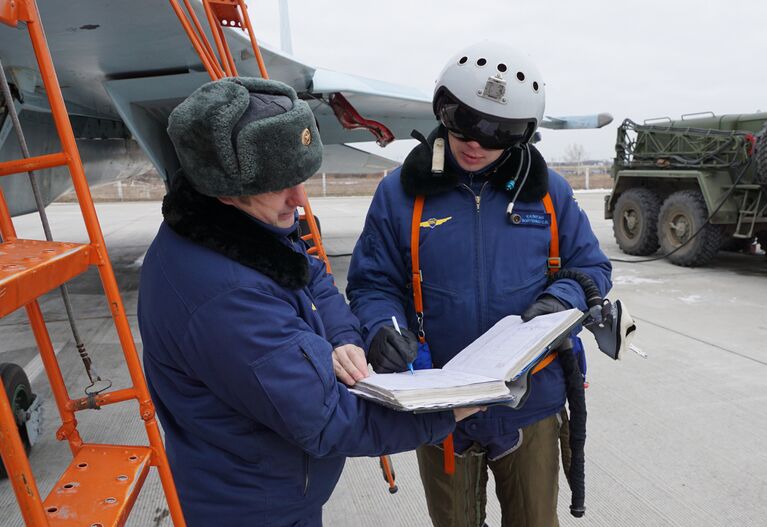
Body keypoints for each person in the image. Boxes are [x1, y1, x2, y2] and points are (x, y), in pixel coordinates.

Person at [137, 77, 478, 527]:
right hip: (252, 509)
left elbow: (308, 274)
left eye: (300, 179)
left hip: (274, 486)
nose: (300, 200)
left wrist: (342, 337)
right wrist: (448, 409)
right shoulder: (228, 298)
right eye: (281, 185)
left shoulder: (236, 227)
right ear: (223, 188)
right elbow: (328, 421)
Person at [346, 41, 612, 527]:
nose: (474, 142)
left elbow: (592, 268)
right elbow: (372, 284)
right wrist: (382, 328)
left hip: (530, 402)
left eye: (497, 133)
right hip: (440, 406)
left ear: (523, 135)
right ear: (441, 108)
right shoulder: (398, 194)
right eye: (462, 120)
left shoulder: (550, 193)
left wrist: (561, 299)